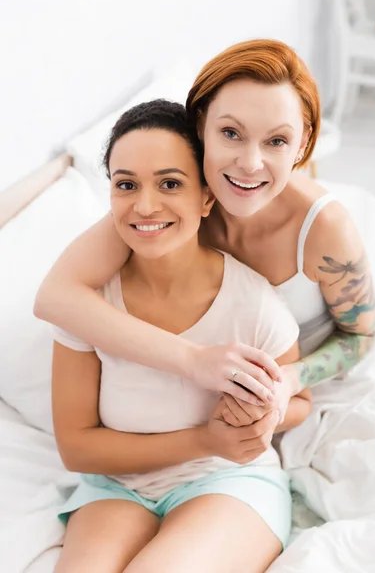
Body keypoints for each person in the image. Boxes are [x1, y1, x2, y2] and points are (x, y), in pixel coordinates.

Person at [35, 38, 375, 419]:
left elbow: (361, 335)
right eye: (231, 133)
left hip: (290, 391)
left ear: (302, 144)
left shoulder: (326, 230)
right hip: (208, 384)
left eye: (276, 141)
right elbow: (55, 296)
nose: (249, 163)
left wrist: (287, 382)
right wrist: (192, 360)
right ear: (201, 126)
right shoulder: (177, 200)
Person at [52, 99, 312, 573]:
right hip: (116, 486)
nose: (145, 205)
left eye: (170, 183)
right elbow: (77, 447)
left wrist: (266, 410)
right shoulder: (89, 305)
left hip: (228, 481)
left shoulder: (253, 306)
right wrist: (205, 438)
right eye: (125, 185)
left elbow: (301, 401)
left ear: (207, 197)